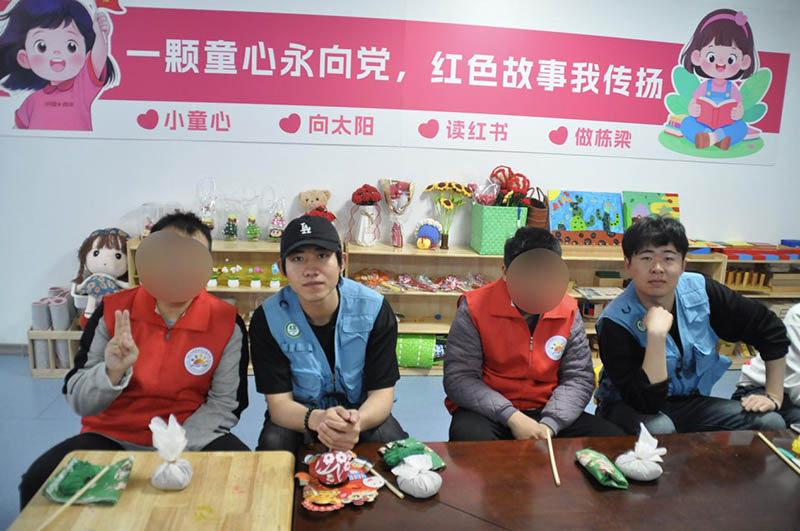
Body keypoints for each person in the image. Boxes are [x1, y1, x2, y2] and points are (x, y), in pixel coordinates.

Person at [20, 212, 250, 509]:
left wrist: (171, 446)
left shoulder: (226, 322)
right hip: (111, 436)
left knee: (247, 482)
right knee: (38, 482)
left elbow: (224, 404)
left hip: (191, 437)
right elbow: (80, 400)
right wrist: (111, 373)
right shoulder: (112, 311)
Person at [595, 215, 787, 434]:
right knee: (661, 428)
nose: (657, 268)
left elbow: (770, 329)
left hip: (689, 402)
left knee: (770, 421)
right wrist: (656, 337)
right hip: (628, 406)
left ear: (683, 265)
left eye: (668, 258)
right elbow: (647, 402)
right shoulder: (615, 321)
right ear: (628, 264)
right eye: (646, 258)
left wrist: (773, 395)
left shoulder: (702, 291)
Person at [445, 226, 624, 441]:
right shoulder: (474, 308)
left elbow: (579, 378)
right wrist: (512, 417)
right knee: (468, 437)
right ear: (505, 272)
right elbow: (460, 378)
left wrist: (550, 424)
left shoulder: (568, 309)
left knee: (612, 439)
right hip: (490, 412)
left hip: (548, 409)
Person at [251, 215, 407, 452]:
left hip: (360, 413)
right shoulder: (268, 319)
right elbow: (279, 405)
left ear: (342, 261)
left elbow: (381, 395)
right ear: (282, 268)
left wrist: (356, 423)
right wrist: (318, 419)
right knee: (274, 443)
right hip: (301, 415)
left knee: (392, 445)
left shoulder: (374, 308)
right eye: (298, 259)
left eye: (322, 256)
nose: (311, 270)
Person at [734, 303, 800, 427]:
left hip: (793, 395)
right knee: (771, 421)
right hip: (762, 387)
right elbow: (795, 383)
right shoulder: (798, 316)